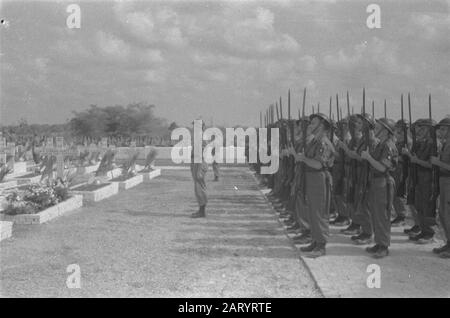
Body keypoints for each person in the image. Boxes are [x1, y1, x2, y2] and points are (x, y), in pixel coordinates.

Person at [294, 113, 335, 258]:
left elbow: (318, 164)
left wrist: (303, 158)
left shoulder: (323, 142)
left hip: (318, 178)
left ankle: (321, 245)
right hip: (311, 177)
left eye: (313, 123)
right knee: (312, 210)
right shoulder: (314, 141)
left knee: (319, 212)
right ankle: (315, 241)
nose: (310, 125)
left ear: (322, 126)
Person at [361, 118, 398, 258]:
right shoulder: (380, 144)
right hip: (376, 182)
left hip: (383, 181)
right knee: (376, 214)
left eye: (378, 127)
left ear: (386, 130)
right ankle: (379, 242)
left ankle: (384, 246)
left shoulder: (388, 145)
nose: (374, 129)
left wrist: (368, 158)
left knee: (382, 215)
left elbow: (383, 167)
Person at [402, 118, 437, 244]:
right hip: (419, 177)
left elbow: (431, 164)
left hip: (428, 178)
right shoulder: (421, 143)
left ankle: (429, 233)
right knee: (419, 206)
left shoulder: (434, 144)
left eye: (423, 128)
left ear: (430, 130)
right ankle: (423, 230)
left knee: (427, 207)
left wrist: (414, 159)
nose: (420, 130)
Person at [430, 117, 450, 258]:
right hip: (443, 181)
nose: (440, 131)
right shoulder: (445, 144)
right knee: (443, 213)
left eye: (443, 128)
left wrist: (438, 162)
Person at [190, 120, 209, 218]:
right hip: (197, 161)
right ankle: (201, 210)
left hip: (200, 162)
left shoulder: (201, 136)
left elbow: (202, 151)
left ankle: (202, 211)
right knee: (198, 186)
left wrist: (198, 167)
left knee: (199, 186)